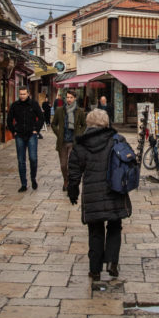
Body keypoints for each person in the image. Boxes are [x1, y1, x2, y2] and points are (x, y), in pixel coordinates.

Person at [67, 109, 132, 280]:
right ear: (106, 122)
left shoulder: (80, 144)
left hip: (92, 194)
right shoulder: (116, 139)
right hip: (114, 190)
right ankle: (112, 262)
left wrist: (72, 191)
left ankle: (95, 269)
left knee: (95, 230)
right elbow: (129, 160)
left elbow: (73, 171)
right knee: (114, 226)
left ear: (88, 123)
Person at [6, 87, 44, 191]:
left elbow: (41, 117)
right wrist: (13, 130)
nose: (22, 96)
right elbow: (9, 119)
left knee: (33, 158)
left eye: (24, 94)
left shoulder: (33, 104)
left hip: (31, 134)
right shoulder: (15, 105)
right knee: (21, 160)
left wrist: (36, 129)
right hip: (20, 135)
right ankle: (23, 184)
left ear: (28, 94)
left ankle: (33, 178)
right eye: (20, 94)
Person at [51, 89, 86, 191]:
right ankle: (65, 179)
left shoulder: (79, 111)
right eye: (68, 97)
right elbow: (53, 124)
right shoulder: (59, 110)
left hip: (73, 142)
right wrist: (58, 134)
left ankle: (69, 182)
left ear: (75, 99)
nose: (69, 99)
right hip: (62, 142)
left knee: (71, 164)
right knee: (63, 165)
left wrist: (79, 134)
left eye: (71, 97)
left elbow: (84, 125)